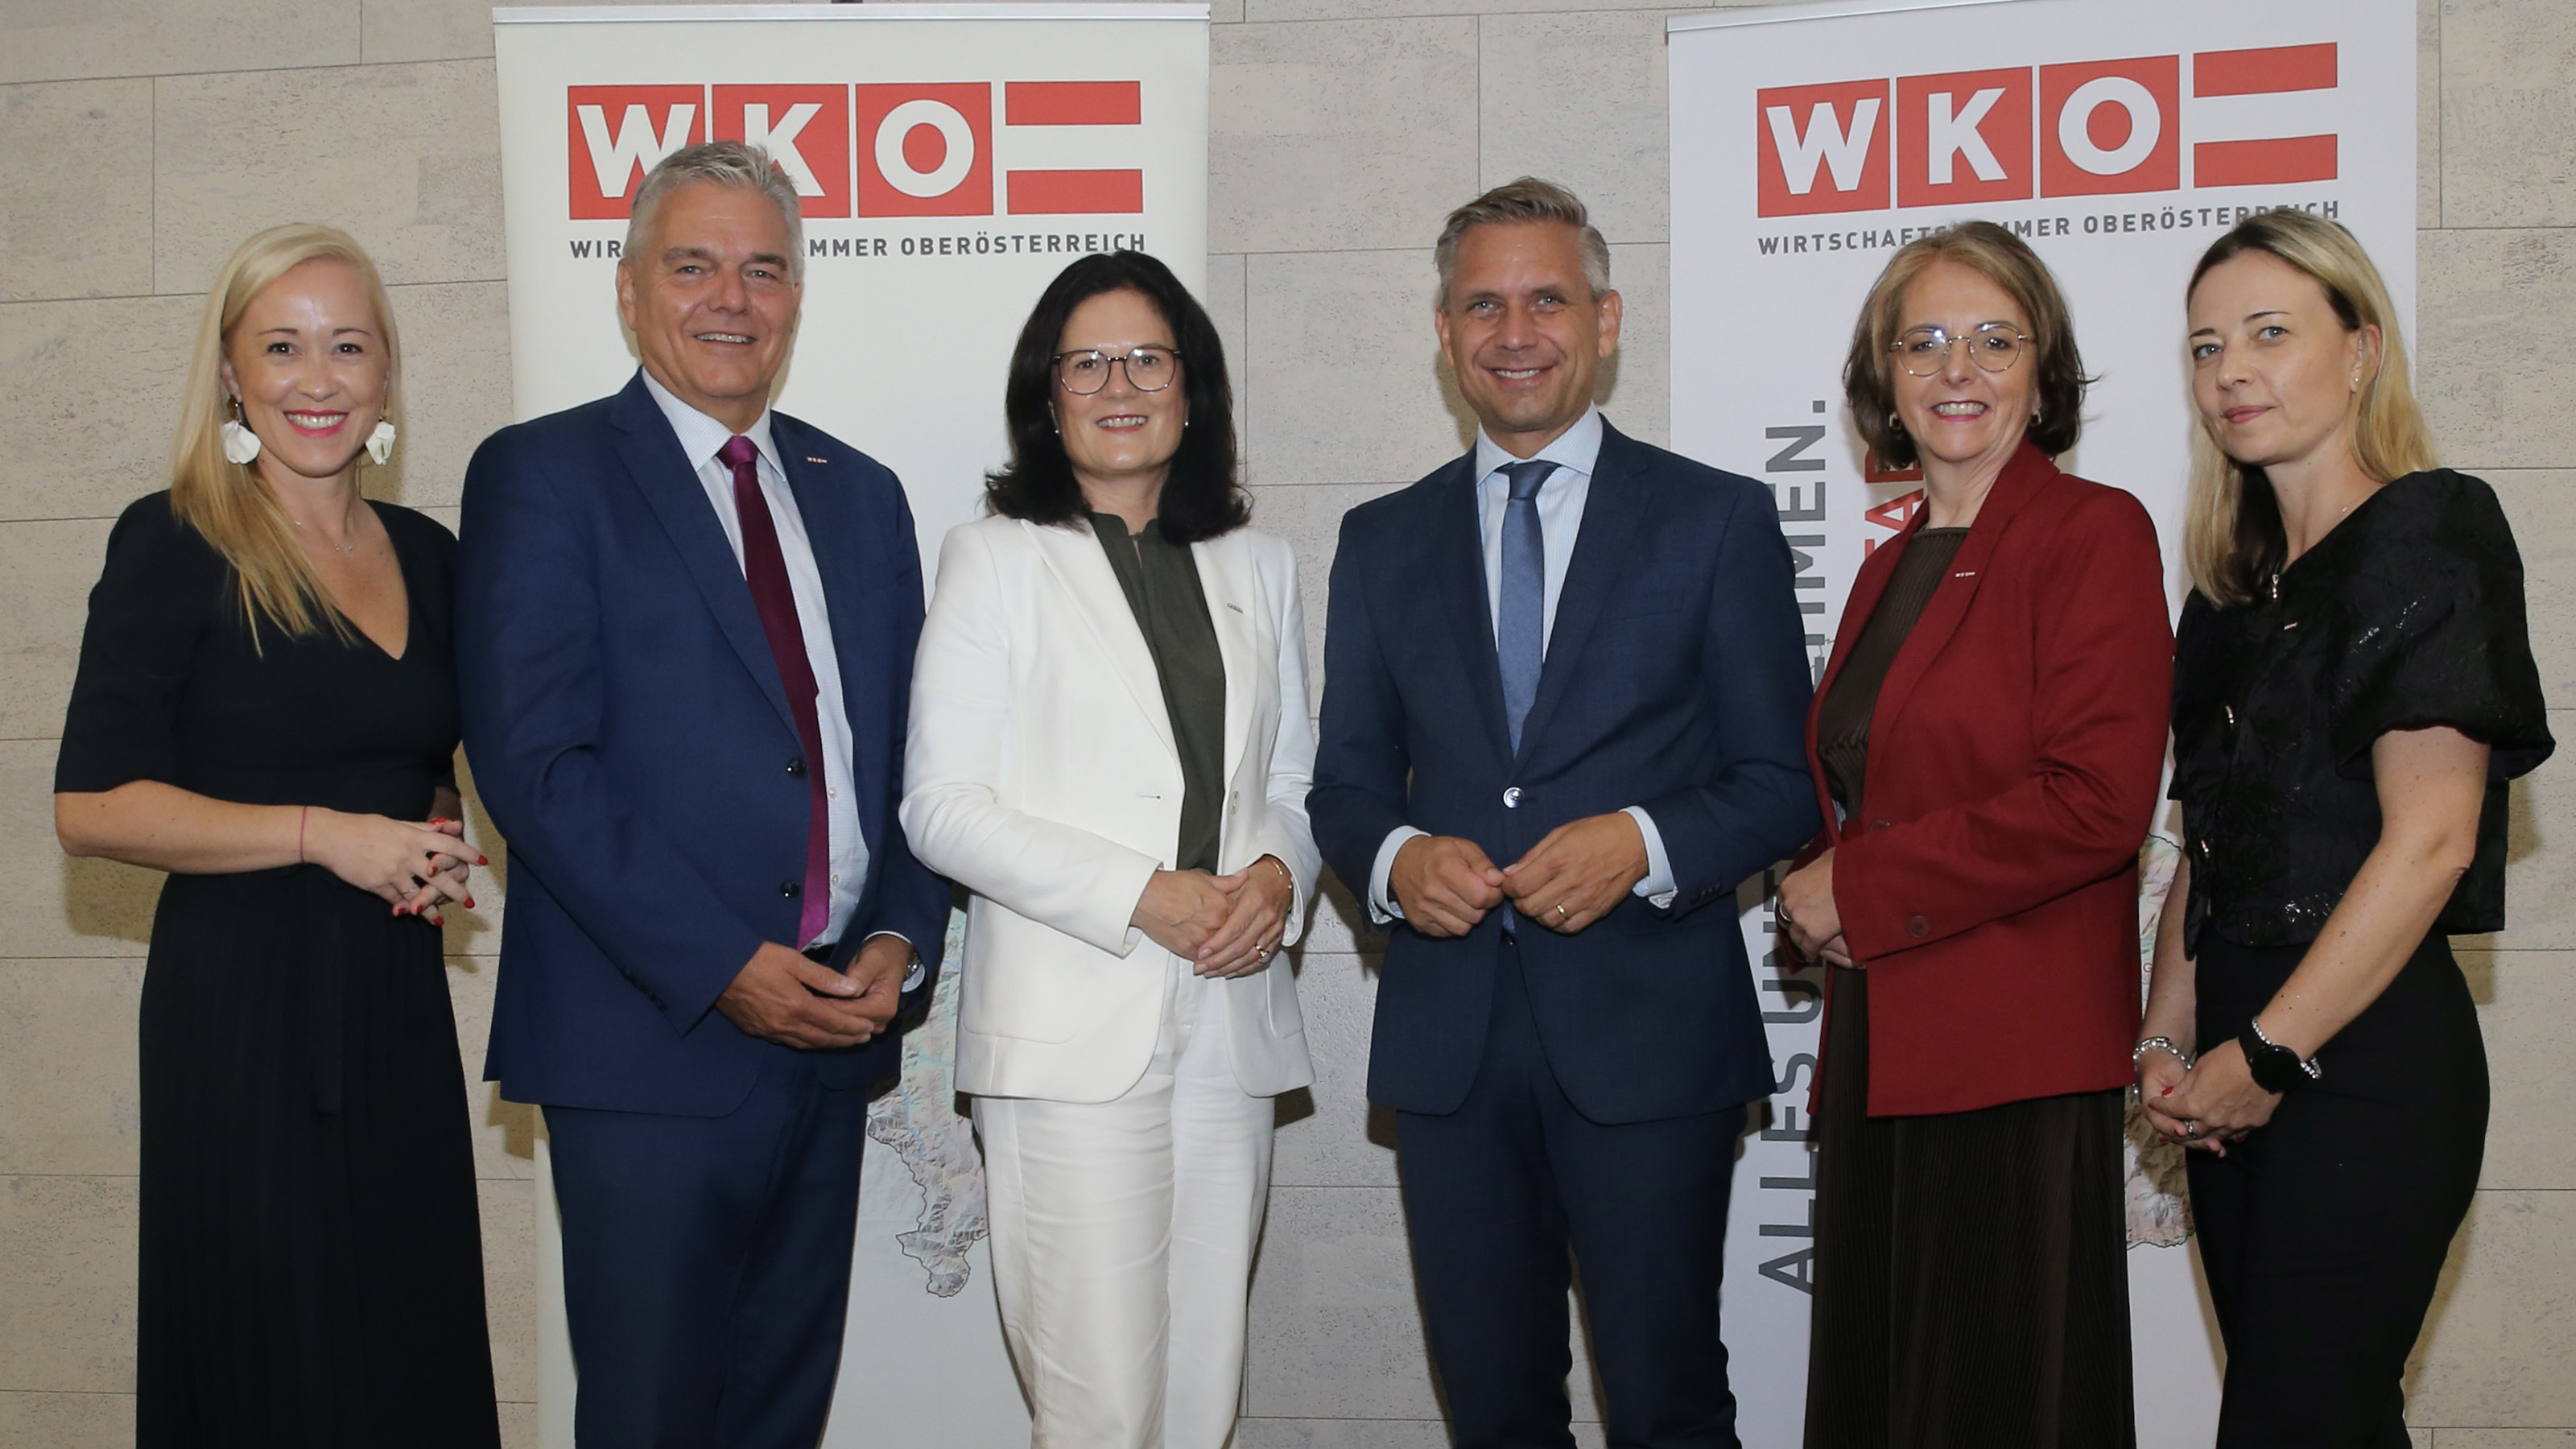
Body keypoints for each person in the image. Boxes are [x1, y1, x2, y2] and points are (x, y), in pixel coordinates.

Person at [1307, 178, 1817, 1449]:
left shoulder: (1716, 520)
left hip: (1653, 1042)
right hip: (1451, 1051)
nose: (1517, 331)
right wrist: (1396, 859)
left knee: (1666, 1406)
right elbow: (1345, 784)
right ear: (1445, 333)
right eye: (1484, 305)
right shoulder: (1380, 540)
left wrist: (1641, 842)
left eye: (1548, 299)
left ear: (1606, 319)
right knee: (1492, 1414)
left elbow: (1784, 783)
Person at [455, 141, 948, 1447]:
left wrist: (903, 936)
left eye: (764, 270)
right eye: (693, 266)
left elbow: (913, 757)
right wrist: (724, 964)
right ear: (629, 292)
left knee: (779, 1415)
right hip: (647, 1048)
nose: (732, 298)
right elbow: (533, 765)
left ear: (796, 297)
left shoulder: (862, 495)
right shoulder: (543, 474)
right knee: (654, 1418)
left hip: (831, 1038)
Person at [52, 223, 497, 1447]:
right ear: (232, 373)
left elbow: (417, 756)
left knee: (402, 1340)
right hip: (242, 1010)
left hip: (393, 1003)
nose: (319, 380)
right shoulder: (174, 539)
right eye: (283, 347)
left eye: (348, 346)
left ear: (387, 372)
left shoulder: (432, 556)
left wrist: (434, 830)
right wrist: (325, 836)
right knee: (272, 1353)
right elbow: (91, 807)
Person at [2140, 211, 2550, 1446]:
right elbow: (2205, 844)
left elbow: (2431, 844)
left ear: (2363, 349)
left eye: (2270, 333)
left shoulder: (2431, 532)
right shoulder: (2225, 594)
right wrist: (2166, 1032)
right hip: (2232, 1061)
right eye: (2207, 347)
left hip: (2360, 1064)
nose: (2232, 371)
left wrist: (2266, 1056)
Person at [901, 250, 1317, 1448]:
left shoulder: (1260, 565)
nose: (1119, 385)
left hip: (1230, 1023)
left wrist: (1277, 879)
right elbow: (941, 807)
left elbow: (1294, 784)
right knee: (1099, 1412)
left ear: (1194, 388)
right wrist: (1142, 894)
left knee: (1200, 1397)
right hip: (1070, 1037)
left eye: (1147, 358)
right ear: (1047, 397)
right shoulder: (994, 558)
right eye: (1086, 364)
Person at [1773, 221, 2172, 1447]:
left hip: (2011, 1055)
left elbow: (2097, 804)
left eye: (1996, 341)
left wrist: (1856, 888)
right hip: (1881, 1042)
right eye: (1924, 343)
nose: (1958, 369)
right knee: (1881, 1401)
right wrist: (1817, 890)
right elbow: (1880, 788)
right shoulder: (1889, 566)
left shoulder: (2092, 531)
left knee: (1996, 1405)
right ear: (1884, 379)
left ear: (2043, 377)